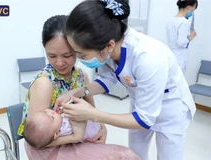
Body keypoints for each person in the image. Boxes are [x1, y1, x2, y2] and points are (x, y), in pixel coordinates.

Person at [54, 0, 196, 160]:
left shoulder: (149, 58)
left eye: (82, 55)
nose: (79, 59)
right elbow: (106, 80)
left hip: (170, 108)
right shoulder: (107, 47)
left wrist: (94, 114)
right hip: (140, 103)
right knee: (135, 154)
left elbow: (144, 119)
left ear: (109, 46)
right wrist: (78, 91)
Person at [18, 15, 140, 160]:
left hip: (74, 137)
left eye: (67, 55)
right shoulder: (45, 83)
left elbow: (92, 112)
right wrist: (75, 137)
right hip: (48, 146)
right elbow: (37, 141)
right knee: (124, 155)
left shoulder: (81, 76)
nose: (59, 62)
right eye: (51, 55)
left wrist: (102, 128)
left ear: (77, 49)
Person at [23, 108, 101, 148]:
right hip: (93, 132)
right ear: (57, 133)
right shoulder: (66, 128)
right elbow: (80, 119)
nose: (51, 111)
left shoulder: (54, 126)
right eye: (52, 118)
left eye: (45, 112)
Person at [166, 0, 198, 72]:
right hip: (179, 60)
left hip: (170, 57)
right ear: (189, 7)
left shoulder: (171, 20)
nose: (192, 12)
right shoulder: (184, 22)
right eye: (193, 9)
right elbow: (181, 43)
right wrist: (190, 37)